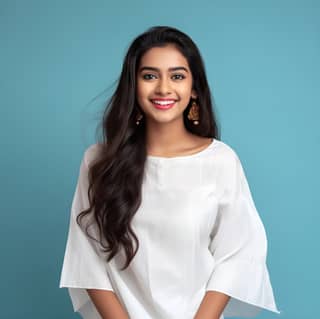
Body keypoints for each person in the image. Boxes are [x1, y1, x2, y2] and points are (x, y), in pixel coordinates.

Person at [59, 26, 281, 319]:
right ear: (133, 85)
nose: (163, 88)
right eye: (150, 75)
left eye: (177, 76)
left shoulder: (220, 161)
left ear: (194, 88)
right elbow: (86, 258)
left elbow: (239, 253)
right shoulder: (100, 161)